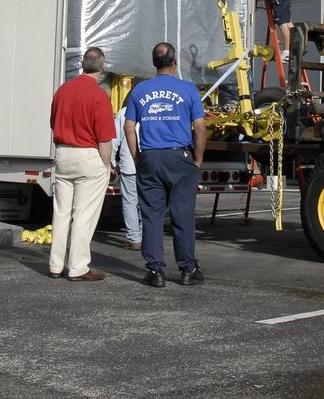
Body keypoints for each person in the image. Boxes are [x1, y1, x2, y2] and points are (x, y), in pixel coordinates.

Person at [124, 42, 207, 288]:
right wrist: (198, 159)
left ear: (154, 63)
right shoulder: (188, 89)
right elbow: (200, 126)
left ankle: (155, 270)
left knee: (151, 215)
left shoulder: (140, 90)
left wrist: (138, 156)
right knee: (182, 214)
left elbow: (129, 126)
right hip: (179, 157)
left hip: (150, 156)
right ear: (175, 62)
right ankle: (187, 268)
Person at [47, 46, 115, 281]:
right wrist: (107, 165)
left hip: (63, 153)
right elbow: (104, 139)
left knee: (61, 212)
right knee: (84, 214)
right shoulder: (99, 96)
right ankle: (77, 267)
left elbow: (53, 123)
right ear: (102, 67)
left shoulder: (63, 90)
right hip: (88, 154)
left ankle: (55, 265)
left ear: (82, 65)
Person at [110, 100, 142, 249]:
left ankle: (134, 238)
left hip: (129, 164)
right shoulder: (152, 109)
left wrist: (111, 161)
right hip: (149, 164)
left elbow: (114, 140)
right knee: (146, 202)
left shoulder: (124, 112)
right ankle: (146, 235)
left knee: (130, 201)